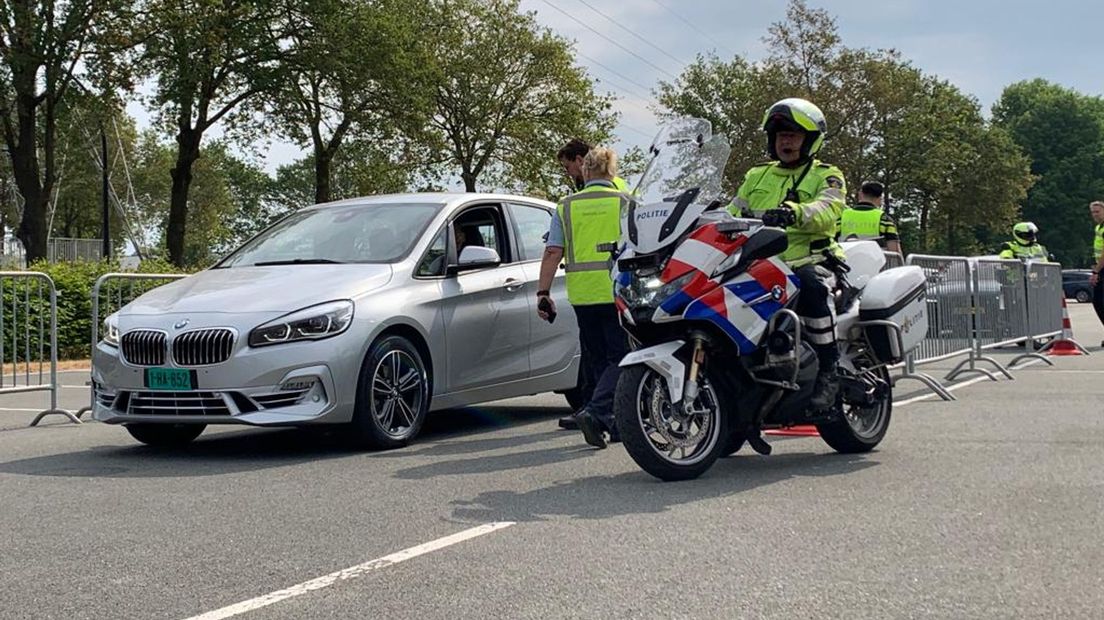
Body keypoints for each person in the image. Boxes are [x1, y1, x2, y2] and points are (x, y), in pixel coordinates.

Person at [727, 98, 848, 411]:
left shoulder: (826, 175)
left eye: (794, 134)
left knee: (809, 285)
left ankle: (828, 369)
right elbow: (732, 212)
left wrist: (794, 213)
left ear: (810, 140)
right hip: (761, 266)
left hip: (812, 261)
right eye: (780, 134)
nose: (786, 140)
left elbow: (829, 209)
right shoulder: (757, 176)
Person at [538, 146, 630, 449]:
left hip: (581, 294)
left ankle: (605, 420)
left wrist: (543, 292)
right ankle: (597, 411)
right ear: (611, 172)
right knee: (622, 358)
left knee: (597, 357)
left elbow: (553, 251)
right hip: (616, 292)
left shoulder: (565, 206)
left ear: (586, 170)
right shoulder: (625, 202)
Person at [837, 181, 902, 254]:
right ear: (880, 198)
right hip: (876, 264)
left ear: (860, 194)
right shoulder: (885, 220)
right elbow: (894, 252)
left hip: (845, 263)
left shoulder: (841, 217)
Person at [557, 139, 630, 193]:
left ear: (579, 160)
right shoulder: (619, 183)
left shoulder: (596, 187)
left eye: (567, 167)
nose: (568, 173)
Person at [1089, 201, 1104, 346]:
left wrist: (1096, 271)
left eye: (1097, 212)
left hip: (1102, 268)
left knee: (1100, 301)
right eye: (1093, 212)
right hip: (1101, 268)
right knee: (1098, 301)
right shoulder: (1099, 228)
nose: (1095, 215)